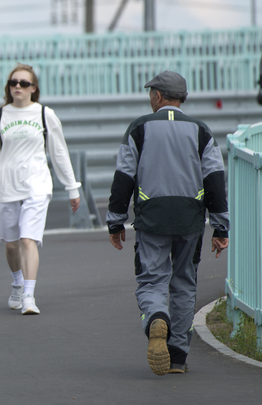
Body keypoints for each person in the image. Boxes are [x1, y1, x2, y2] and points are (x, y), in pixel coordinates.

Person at [106, 70, 229, 375]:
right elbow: (214, 179)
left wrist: (115, 221)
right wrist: (220, 226)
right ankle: (177, 356)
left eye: (151, 93)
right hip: (190, 217)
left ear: (158, 96)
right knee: (185, 281)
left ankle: (156, 316)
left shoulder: (139, 128)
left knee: (152, 279)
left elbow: (123, 177)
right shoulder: (201, 130)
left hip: (153, 216)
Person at [0, 64, 81, 315]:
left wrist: (72, 187)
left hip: (37, 185)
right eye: (13, 82)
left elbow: (59, 152)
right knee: (11, 244)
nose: (17, 86)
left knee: (28, 239)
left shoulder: (45, 114)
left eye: (24, 83)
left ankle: (28, 294)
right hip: (6, 187)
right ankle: (17, 282)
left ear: (33, 89)